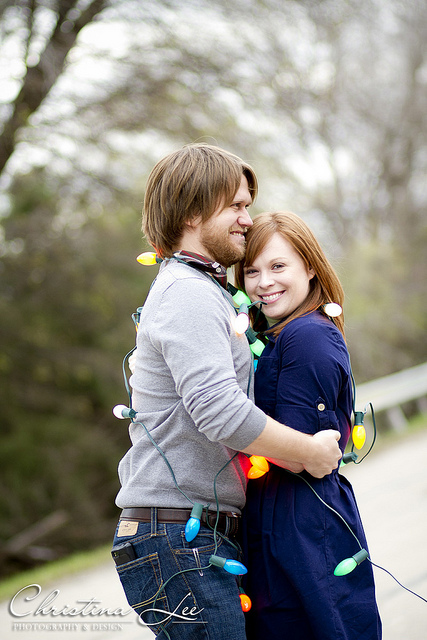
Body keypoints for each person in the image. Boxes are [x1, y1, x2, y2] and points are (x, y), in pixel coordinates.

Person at [112, 144, 342, 640]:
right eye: (236, 205)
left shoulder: (202, 289)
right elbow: (219, 413)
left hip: (190, 535)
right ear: (194, 210)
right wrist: (310, 453)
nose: (247, 217)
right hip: (177, 538)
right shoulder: (187, 293)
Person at [234, 211, 382, 640]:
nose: (264, 282)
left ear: (311, 267)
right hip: (279, 522)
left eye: (278, 266)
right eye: (252, 271)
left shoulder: (307, 336)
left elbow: (302, 457)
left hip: (303, 528)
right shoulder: (279, 336)